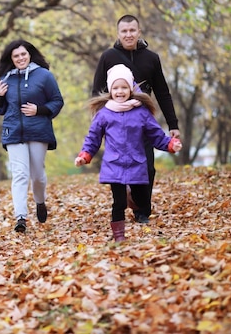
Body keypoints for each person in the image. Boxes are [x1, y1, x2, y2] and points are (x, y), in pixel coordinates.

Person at [76, 65, 182, 241]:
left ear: (131, 89)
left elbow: (156, 135)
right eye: (116, 88)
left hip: (136, 162)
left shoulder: (141, 112)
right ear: (110, 90)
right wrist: (85, 155)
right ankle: (119, 236)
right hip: (114, 164)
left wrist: (170, 145)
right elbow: (93, 138)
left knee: (141, 199)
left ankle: (132, 197)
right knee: (118, 202)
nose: (120, 91)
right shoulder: (104, 114)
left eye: (124, 87)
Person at [92, 14, 180, 223]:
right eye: (124, 31)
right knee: (120, 168)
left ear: (139, 32)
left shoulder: (151, 58)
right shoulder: (108, 57)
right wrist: (99, 123)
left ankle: (142, 211)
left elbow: (162, 92)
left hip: (142, 121)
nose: (128, 34)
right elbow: (97, 91)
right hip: (115, 124)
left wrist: (173, 124)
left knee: (148, 167)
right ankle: (123, 204)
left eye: (132, 30)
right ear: (118, 33)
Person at [0, 40, 64, 233]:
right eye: (16, 56)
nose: (20, 58)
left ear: (30, 55)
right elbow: (0, 110)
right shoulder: (5, 78)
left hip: (38, 130)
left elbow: (57, 101)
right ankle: (21, 217)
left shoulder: (44, 75)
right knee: (20, 174)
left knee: (38, 175)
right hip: (13, 130)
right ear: (11, 59)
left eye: (23, 54)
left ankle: (40, 202)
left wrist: (40, 109)